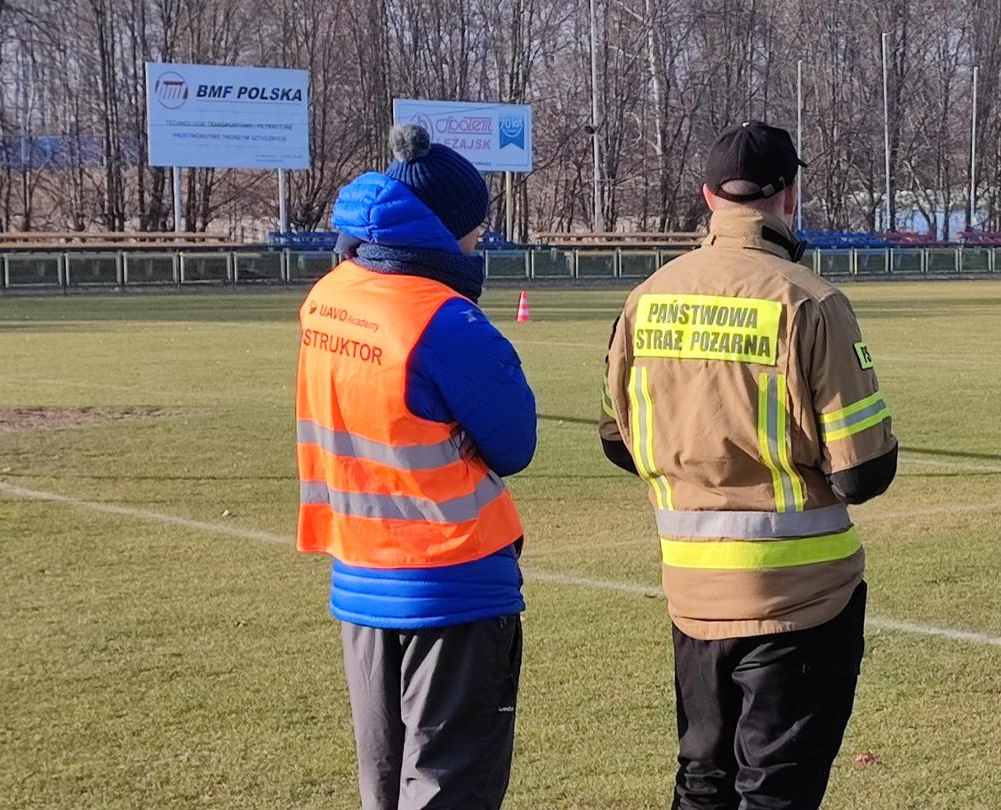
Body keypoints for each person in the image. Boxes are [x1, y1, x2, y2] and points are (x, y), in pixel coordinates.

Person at [600, 121, 898, 810]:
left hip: (692, 593)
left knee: (702, 781)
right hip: (800, 599)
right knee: (777, 790)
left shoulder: (646, 298)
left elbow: (617, 441)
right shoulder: (810, 300)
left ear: (709, 196)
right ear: (789, 195)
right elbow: (863, 473)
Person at [295, 124, 537, 810]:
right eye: (475, 228)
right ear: (449, 229)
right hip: (454, 581)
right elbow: (516, 442)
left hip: (359, 578)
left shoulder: (328, 297)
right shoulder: (445, 320)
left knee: (384, 784)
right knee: (448, 789)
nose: (480, 241)